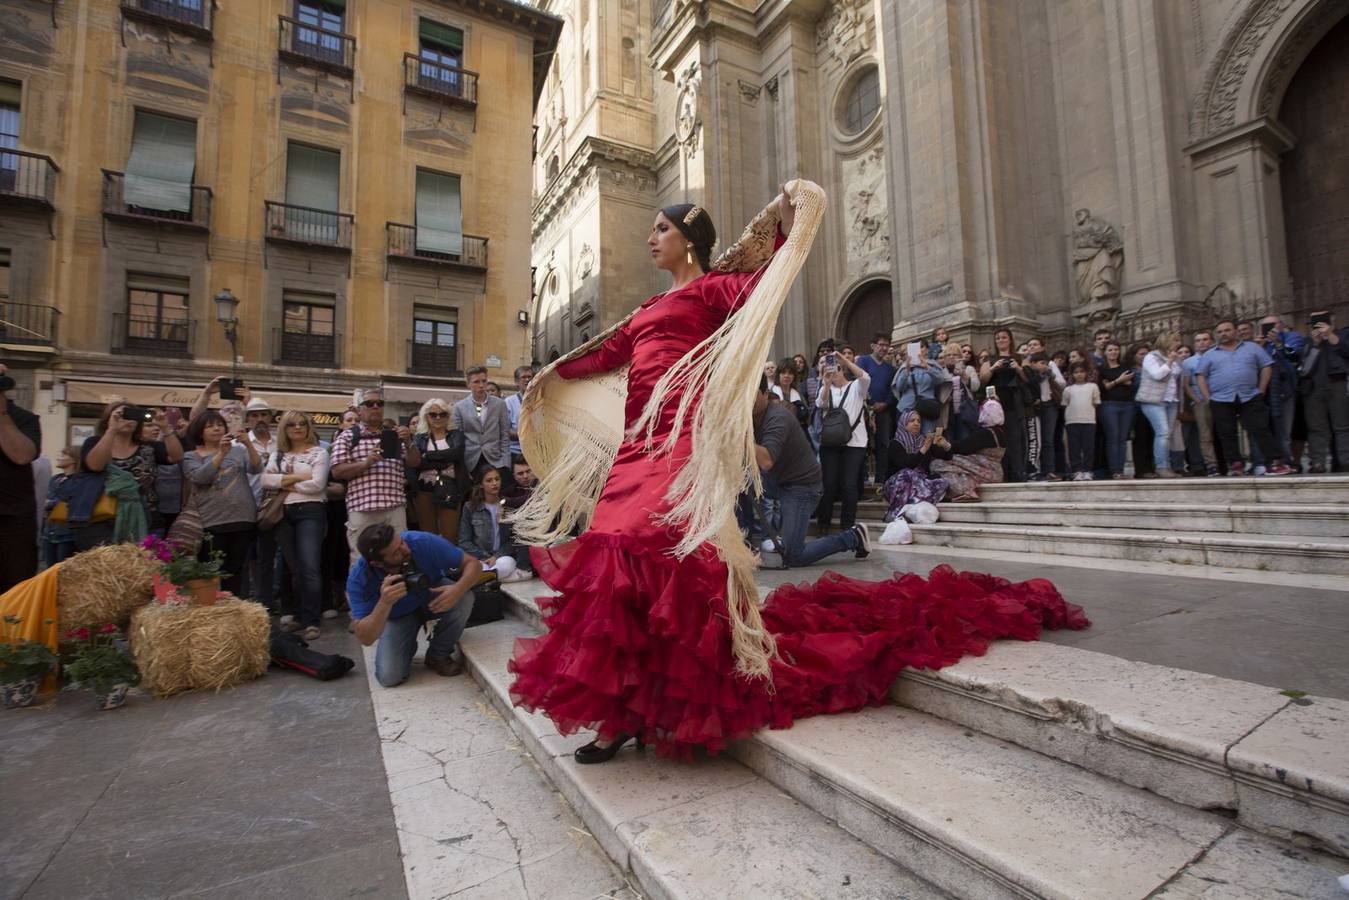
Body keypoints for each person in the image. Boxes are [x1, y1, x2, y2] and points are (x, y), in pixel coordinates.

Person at [509, 188, 1088, 765]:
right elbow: (602, 356)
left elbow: (768, 283)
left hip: (681, 445)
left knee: (643, 546)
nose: (650, 237)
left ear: (689, 240)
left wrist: (787, 227)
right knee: (617, 561)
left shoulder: (714, 291)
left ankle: (665, 696)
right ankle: (622, 713)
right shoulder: (645, 310)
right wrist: (546, 381)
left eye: (662, 228)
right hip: (635, 449)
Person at [752, 377, 868, 565]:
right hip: (776, 480)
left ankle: (853, 537)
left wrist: (738, 437)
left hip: (801, 487)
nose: (746, 399)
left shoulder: (777, 417)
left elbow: (766, 460)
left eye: (752, 394)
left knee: (794, 556)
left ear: (766, 394)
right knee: (735, 487)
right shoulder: (750, 416)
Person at [348, 524, 480, 687]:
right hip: (397, 615)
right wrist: (384, 602)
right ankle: (406, 644)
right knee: (389, 676)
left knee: (464, 598)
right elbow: (365, 638)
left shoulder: (420, 541)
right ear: (377, 564)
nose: (405, 550)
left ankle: (438, 654)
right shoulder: (359, 578)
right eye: (396, 552)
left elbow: (473, 564)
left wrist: (457, 590)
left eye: (401, 542)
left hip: (431, 593)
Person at [329, 388, 421, 563]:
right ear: (359, 409)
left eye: (379, 403)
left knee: (400, 557)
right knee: (361, 560)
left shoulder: (394, 434)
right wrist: (366, 463)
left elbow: (414, 462)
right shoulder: (348, 436)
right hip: (362, 508)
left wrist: (409, 442)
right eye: (370, 404)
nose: (375, 407)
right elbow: (337, 471)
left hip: (394, 507)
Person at [262, 411, 330, 640]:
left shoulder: (319, 452)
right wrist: (300, 478)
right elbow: (265, 480)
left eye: (302, 424)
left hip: (311, 510)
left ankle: (312, 620)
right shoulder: (278, 454)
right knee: (294, 568)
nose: (298, 428)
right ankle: (299, 616)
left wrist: (284, 482)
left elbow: (318, 485)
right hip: (283, 512)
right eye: (292, 424)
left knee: (310, 566)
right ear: (285, 428)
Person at [1195, 320, 1293, 476]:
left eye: (1227, 330)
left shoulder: (1252, 348)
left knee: (1261, 429)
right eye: (1219, 332)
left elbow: (1266, 366)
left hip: (1250, 396)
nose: (1223, 334)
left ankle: (1274, 463)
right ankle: (1235, 466)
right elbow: (1201, 375)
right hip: (1221, 399)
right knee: (1227, 433)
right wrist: (1208, 398)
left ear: (1235, 331)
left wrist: (1261, 389)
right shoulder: (1209, 354)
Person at [181, 411, 262, 597]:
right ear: (199, 432)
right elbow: (199, 478)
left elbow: (257, 468)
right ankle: (211, 607)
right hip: (211, 520)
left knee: (236, 570)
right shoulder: (191, 456)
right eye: (210, 426)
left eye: (220, 425)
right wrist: (221, 453)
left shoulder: (238, 451)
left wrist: (248, 444)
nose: (216, 429)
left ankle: (235, 606)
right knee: (210, 569)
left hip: (242, 517)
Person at [80, 399, 184, 541]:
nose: (128, 420)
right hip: (104, 517)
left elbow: (176, 457)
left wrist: (166, 428)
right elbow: (95, 465)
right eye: (121, 415)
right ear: (108, 419)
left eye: (132, 416)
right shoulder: (94, 442)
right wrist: (112, 430)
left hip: (147, 517)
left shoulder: (148, 447)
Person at [815, 348, 871, 533]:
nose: (834, 372)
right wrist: (826, 384)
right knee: (829, 485)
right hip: (830, 443)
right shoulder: (825, 388)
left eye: (837, 368)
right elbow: (821, 404)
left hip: (855, 443)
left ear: (843, 369)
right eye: (829, 369)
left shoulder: (856, 387)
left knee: (849, 485)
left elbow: (865, 378)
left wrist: (845, 361)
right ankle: (823, 525)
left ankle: (847, 527)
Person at [0, 364, 40, 592]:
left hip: (12, 522)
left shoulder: (24, 419)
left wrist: (1, 414)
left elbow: (22, 455)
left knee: (15, 591)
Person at [1299, 311, 1349, 473]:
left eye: (1323, 320)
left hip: (1337, 385)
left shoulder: (1342, 336)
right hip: (1314, 389)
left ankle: (1346, 462)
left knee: (1342, 426)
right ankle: (1317, 463)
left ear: (1332, 321)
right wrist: (1315, 345)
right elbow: (1304, 368)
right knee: (1316, 428)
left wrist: (1331, 337)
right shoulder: (1308, 341)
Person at [458, 466, 528, 581]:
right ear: (481, 484)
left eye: (497, 479)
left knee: (505, 565)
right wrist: (485, 556)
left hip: (502, 557)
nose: (494, 483)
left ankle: (487, 578)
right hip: (480, 557)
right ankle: (493, 578)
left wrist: (496, 556)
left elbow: (514, 539)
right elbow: (464, 541)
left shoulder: (509, 504)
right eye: (489, 480)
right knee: (477, 568)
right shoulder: (470, 507)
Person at [930, 399, 1008, 502]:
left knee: (939, 463)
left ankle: (965, 491)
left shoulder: (986, 433)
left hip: (986, 470)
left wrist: (944, 443)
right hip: (996, 472)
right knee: (957, 468)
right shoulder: (1000, 432)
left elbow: (963, 447)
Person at [412, 397, 467, 543]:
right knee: (428, 534)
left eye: (442, 414)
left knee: (450, 534)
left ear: (448, 416)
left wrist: (428, 455)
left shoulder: (456, 435)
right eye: (433, 414)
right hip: (425, 489)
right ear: (426, 416)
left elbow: (456, 453)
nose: (438, 418)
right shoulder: (419, 438)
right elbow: (418, 462)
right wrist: (443, 461)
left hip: (450, 488)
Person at [979, 327, 1028, 482]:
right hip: (995, 405)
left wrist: (1018, 369)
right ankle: (1001, 474)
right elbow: (983, 380)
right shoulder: (990, 359)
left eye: (1004, 337)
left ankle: (1018, 473)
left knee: (1015, 439)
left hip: (1014, 404)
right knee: (998, 441)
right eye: (998, 338)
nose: (1001, 340)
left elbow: (1028, 379)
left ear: (1010, 339)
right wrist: (994, 368)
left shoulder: (1018, 358)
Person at [881, 410, 949, 519]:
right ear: (904, 423)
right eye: (912, 420)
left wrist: (945, 445)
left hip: (919, 483)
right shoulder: (896, 444)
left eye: (918, 421)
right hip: (898, 484)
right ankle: (895, 513)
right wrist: (923, 449)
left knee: (942, 482)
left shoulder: (923, 441)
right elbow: (906, 465)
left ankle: (914, 502)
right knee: (907, 474)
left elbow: (946, 457)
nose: (916, 423)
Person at [1136, 333, 1184, 478]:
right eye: (1175, 340)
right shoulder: (1151, 357)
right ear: (1166, 341)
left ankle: (1167, 466)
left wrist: (1174, 360)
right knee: (1162, 432)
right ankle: (1161, 467)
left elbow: (1177, 378)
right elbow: (1157, 375)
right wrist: (1170, 361)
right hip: (1154, 400)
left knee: (1167, 434)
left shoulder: (1174, 357)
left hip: (1171, 400)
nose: (1178, 343)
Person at [453, 366, 511, 480]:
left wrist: (506, 463)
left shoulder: (499, 404)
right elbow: (458, 439)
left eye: (484, 381)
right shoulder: (459, 407)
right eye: (476, 382)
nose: (481, 385)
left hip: (495, 459)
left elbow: (504, 434)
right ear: (468, 384)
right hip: (471, 461)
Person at [856, 333, 895, 479]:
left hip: (883, 411)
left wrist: (885, 403)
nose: (884, 348)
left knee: (883, 444)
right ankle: (863, 479)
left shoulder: (890, 369)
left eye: (886, 345)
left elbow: (893, 390)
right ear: (873, 346)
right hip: (864, 410)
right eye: (881, 344)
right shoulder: (863, 361)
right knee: (863, 444)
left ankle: (881, 478)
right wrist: (868, 404)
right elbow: (859, 381)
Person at [1182, 330, 1220, 476]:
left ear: (1211, 341)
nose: (1201, 343)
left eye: (1205, 339)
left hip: (1222, 398)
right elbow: (1186, 384)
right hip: (1201, 401)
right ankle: (1211, 464)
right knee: (1205, 435)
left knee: (1224, 432)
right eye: (1198, 340)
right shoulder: (1188, 362)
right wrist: (1197, 400)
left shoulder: (1218, 356)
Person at [1095, 341, 1134, 479]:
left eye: (1116, 349)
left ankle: (1120, 469)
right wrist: (1119, 380)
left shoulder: (1125, 367)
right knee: (1113, 437)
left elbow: (1130, 382)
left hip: (1127, 404)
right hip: (1108, 405)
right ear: (1105, 352)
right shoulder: (1100, 369)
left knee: (1122, 439)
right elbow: (1102, 388)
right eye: (1110, 350)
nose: (1113, 352)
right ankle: (1114, 470)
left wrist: (1112, 382)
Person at [1061, 364, 1100, 480]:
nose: (1079, 375)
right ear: (1072, 375)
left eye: (1081, 372)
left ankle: (1088, 470)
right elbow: (1065, 403)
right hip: (1072, 421)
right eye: (1076, 372)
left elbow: (1096, 402)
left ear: (1086, 373)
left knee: (1089, 447)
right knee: (1074, 447)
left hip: (1089, 420)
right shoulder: (1068, 389)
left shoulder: (1093, 387)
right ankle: (1076, 470)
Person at [42, 445, 79, 567]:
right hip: (49, 531)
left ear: (74, 459)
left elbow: (68, 500)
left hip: (67, 533)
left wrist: (49, 503)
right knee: (49, 569)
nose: (58, 457)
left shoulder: (78, 480)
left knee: (63, 569)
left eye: (63, 455)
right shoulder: (55, 479)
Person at [504, 365, 534, 458]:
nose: (527, 380)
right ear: (516, 381)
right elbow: (505, 430)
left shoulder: (540, 400)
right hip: (515, 451)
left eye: (529, 377)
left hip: (536, 452)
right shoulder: (509, 402)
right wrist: (524, 436)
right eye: (523, 377)